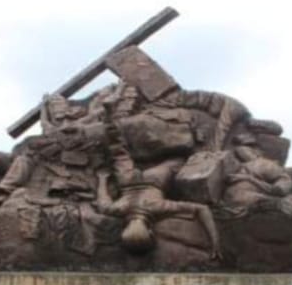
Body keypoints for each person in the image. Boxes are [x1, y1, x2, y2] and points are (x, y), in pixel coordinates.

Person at [93, 91, 221, 259]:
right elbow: (103, 203)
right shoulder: (119, 209)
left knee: (179, 159)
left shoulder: (157, 208)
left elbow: (201, 209)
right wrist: (102, 180)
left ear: (150, 231)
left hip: (154, 181)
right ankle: (109, 115)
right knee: (117, 149)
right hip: (128, 180)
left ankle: (193, 140)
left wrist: (215, 242)